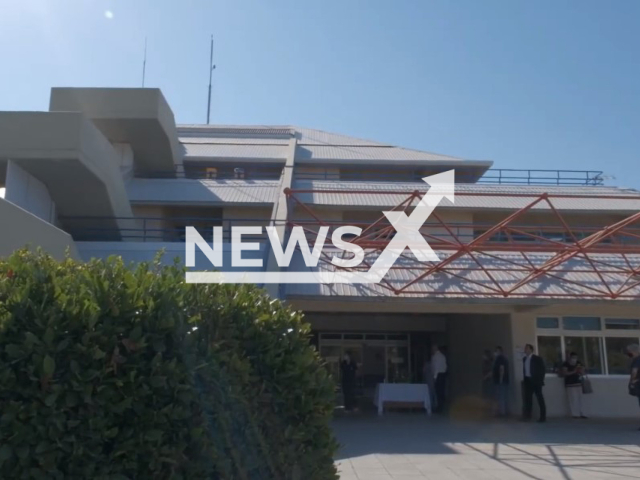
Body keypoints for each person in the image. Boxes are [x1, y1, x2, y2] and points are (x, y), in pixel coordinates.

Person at [522, 343, 546, 423]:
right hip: (528, 381)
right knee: (528, 399)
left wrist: (540, 380)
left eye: (527, 348)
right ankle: (528, 415)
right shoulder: (524, 359)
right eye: (525, 348)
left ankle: (543, 416)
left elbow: (542, 370)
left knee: (539, 398)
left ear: (531, 350)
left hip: (536, 381)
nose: (525, 350)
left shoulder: (537, 358)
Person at [562, 352, 587, 419]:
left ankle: (581, 413)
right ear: (570, 357)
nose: (574, 359)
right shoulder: (566, 364)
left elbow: (583, 372)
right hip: (570, 384)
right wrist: (574, 371)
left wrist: (581, 371)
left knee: (580, 399)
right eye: (573, 357)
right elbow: (565, 373)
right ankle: (575, 414)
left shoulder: (578, 363)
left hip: (579, 383)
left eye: (575, 358)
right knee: (573, 399)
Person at [493, 346, 510, 417]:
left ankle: (502, 413)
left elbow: (501, 369)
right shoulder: (503, 358)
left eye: (496, 351)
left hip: (501, 381)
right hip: (503, 380)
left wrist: (500, 379)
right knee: (502, 396)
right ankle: (504, 412)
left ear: (499, 351)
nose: (495, 353)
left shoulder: (500, 359)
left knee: (501, 396)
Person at [431, 345, 448, 413]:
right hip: (443, 375)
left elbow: (436, 368)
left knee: (438, 392)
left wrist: (435, 377)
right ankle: (442, 407)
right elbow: (445, 366)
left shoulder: (435, 357)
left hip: (438, 375)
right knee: (442, 391)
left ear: (434, 349)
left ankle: (439, 408)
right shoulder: (443, 356)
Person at [627, 344, 640, 429]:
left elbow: (634, 371)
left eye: (629, 351)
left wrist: (632, 381)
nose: (629, 353)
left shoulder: (637, 360)